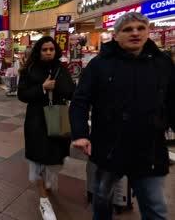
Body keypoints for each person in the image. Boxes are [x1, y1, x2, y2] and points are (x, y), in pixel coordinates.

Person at [70, 12, 175, 220]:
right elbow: (80, 101)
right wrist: (80, 133)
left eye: (140, 28)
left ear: (147, 31)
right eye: (128, 29)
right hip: (109, 147)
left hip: (150, 148)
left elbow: (173, 101)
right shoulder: (99, 64)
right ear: (116, 35)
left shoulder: (162, 63)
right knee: (101, 199)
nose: (135, 33)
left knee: (155, 208)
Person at [17, 36, 74, 220]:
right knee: (37, 157)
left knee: (57, 156)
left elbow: (70, 91)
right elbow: (22, 95)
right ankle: (43, 200)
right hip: (36, 120)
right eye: (44, 49)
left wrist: (56, 88)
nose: (48, 52)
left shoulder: (61, 69)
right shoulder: (29, 70)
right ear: (38, 51)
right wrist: (42, 88)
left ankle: (48, 180)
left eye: (51, 49)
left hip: (57, 115)